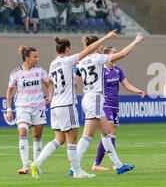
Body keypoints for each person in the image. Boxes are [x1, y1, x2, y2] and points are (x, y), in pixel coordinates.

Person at [30, 31, 119, 179]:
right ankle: (76, 171)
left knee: (59, 139)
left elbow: (52, 81)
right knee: (72, 140)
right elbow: (89, 50)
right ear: (68, 49)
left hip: (55, 106)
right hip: (66, 105)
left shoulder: (53, 64)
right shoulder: (68, 60)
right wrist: (106, 37)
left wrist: (71, 83)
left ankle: (37, 163)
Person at [72, 32, 145, 177]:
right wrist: (135, 41)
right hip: (96, 98)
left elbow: (74, 76)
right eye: (99, 45)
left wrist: (74, 84)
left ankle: (118, 165)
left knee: (107, 133)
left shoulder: (81, 61)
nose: (101, 48)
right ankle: (74, 167)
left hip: (87, 98)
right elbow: (123, 54)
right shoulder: (99, 58)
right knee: (87, 135)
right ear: (95, 46)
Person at [90, 47, 146, 171]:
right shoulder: (100, 70)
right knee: (111, 132)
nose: (116, 54)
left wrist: (138, 91)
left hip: (115, 105)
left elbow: (126, 84)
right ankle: (115, 163)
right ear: (107, 55)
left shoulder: (117, 70)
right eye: (114, 52)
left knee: (107, 135)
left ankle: (96, 164)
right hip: (105, 104)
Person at [6, 46, 53, 175]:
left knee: (37, 136)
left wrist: (50, 96)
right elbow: (9, 92)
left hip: (38, 107)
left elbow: (49, 84)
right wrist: (9, 110)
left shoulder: (40, 71)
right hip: (22, 107)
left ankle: (36, 165)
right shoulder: (16, 73)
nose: (37, 59)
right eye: (35, 57)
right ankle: (25, 165)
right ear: (27, 58)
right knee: (22, 132)